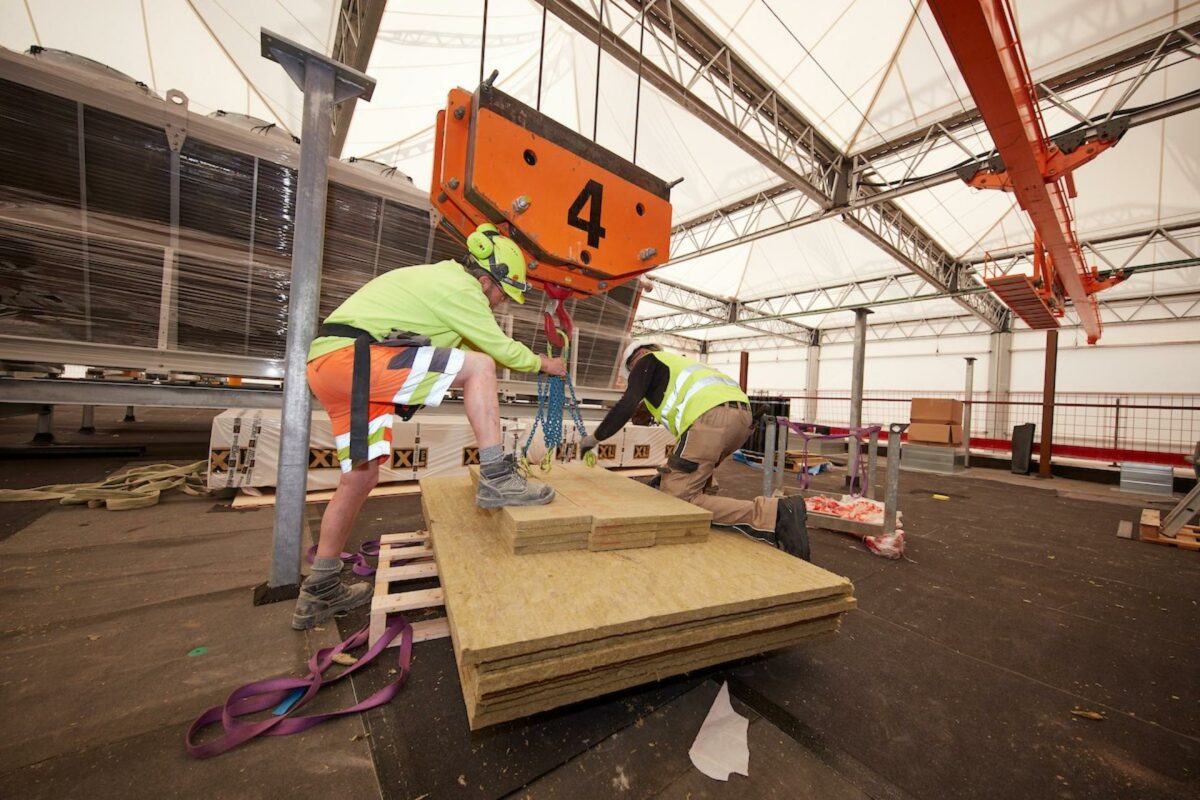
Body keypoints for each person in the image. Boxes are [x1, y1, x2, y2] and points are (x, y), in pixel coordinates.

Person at [292, 223, 567, 630]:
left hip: (333, 368)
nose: (496, 305)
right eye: (500, 296)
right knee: (481, 368)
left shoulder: (439, 288)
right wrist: (548, 364)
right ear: (488, 280)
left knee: (360, 479)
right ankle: (496, 474)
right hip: (354, 361)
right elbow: (494, 352)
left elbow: (469, 346)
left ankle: (320, 587)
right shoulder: (459, 287)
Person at [581, 341, 809, 559]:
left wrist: (593, 439)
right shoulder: (683, 366)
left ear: (635, 359)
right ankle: (705, 515)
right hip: (741, 420)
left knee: (677, 500)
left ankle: (774, 514)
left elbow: (625, 406)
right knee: (689, 476)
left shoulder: (647, 361)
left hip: (709, 418)